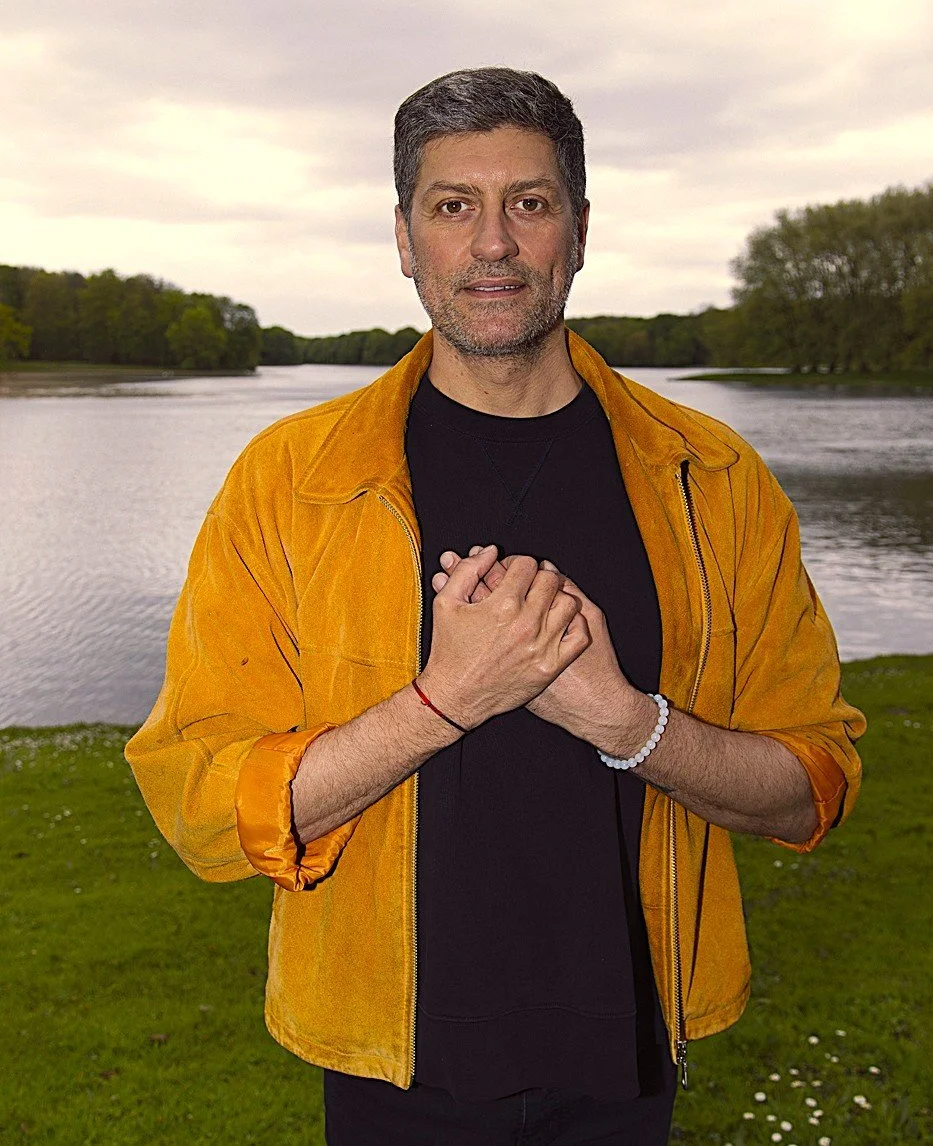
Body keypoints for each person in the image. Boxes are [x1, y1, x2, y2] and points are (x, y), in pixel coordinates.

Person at [125, 67, 865, 1145]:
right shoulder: (292, 479)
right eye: (452, 206)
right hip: (393, 1070)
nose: (492, 245)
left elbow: (812, 785)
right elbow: (200, 798)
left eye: (528, 202)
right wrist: (447, 697)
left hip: (629, 1058)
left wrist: (627, 723)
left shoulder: (711, 475)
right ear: (403, 234)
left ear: (578, 227)